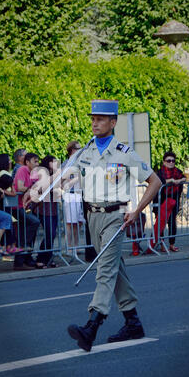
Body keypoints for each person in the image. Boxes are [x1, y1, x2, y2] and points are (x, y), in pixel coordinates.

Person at [62, 99, 161, 352]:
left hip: (116, 217)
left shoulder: (124, 153)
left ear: (113, 122)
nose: (95, 122)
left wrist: (136, 211)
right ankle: (133, 323)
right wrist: (37, 193)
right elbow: (63, 177)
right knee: (115, 270)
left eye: (101, 119)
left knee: (105, 270)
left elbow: (155, 181)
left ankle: (92, 326)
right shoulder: (86, 150)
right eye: (93, 118)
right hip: (92, 217)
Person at [151, 151, 186, 252]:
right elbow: (159, 181)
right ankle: (161, 244)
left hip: (173, 200)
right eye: (168, 160)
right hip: (160, 200)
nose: (171, 162)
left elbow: (184, 177)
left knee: (172, 222)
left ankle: (171, 244)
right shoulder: (160, 172)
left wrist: (179, 181)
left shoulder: (177, 171)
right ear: (164, 162)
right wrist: (170, 180)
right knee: (160, 222)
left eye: (173, 161)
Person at [13, 152, 40, 270]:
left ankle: (23, 260)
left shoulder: (33, 173)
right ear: (27, 162)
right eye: (35, 161)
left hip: (26, 207)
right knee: (34, 222)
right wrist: (31, 190)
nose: (37, 164)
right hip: (18, 207)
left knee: (26, 232)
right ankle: (25, 249)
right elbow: (19, 187)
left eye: (38, 161)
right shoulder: (23, 170)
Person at [32, 155, 61, 268]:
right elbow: (40, 188)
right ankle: (41, 258)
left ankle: (48, 258)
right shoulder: (42, 173)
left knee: (52, 234)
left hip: (52, 208)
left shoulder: (55, 175)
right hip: (43, 209)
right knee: (50, 234)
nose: (55, 164)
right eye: (53, 162)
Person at [62, 141, 86, 253]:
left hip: (79, 195)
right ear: (72, 150)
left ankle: (75, 246)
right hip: (70, 195)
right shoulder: (67, 163)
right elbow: (64, 182)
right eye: (78, 148)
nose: (80, 150)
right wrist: (78, 177)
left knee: (78, 222)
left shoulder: (80, 162)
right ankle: (69, 247)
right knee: (70, 223)